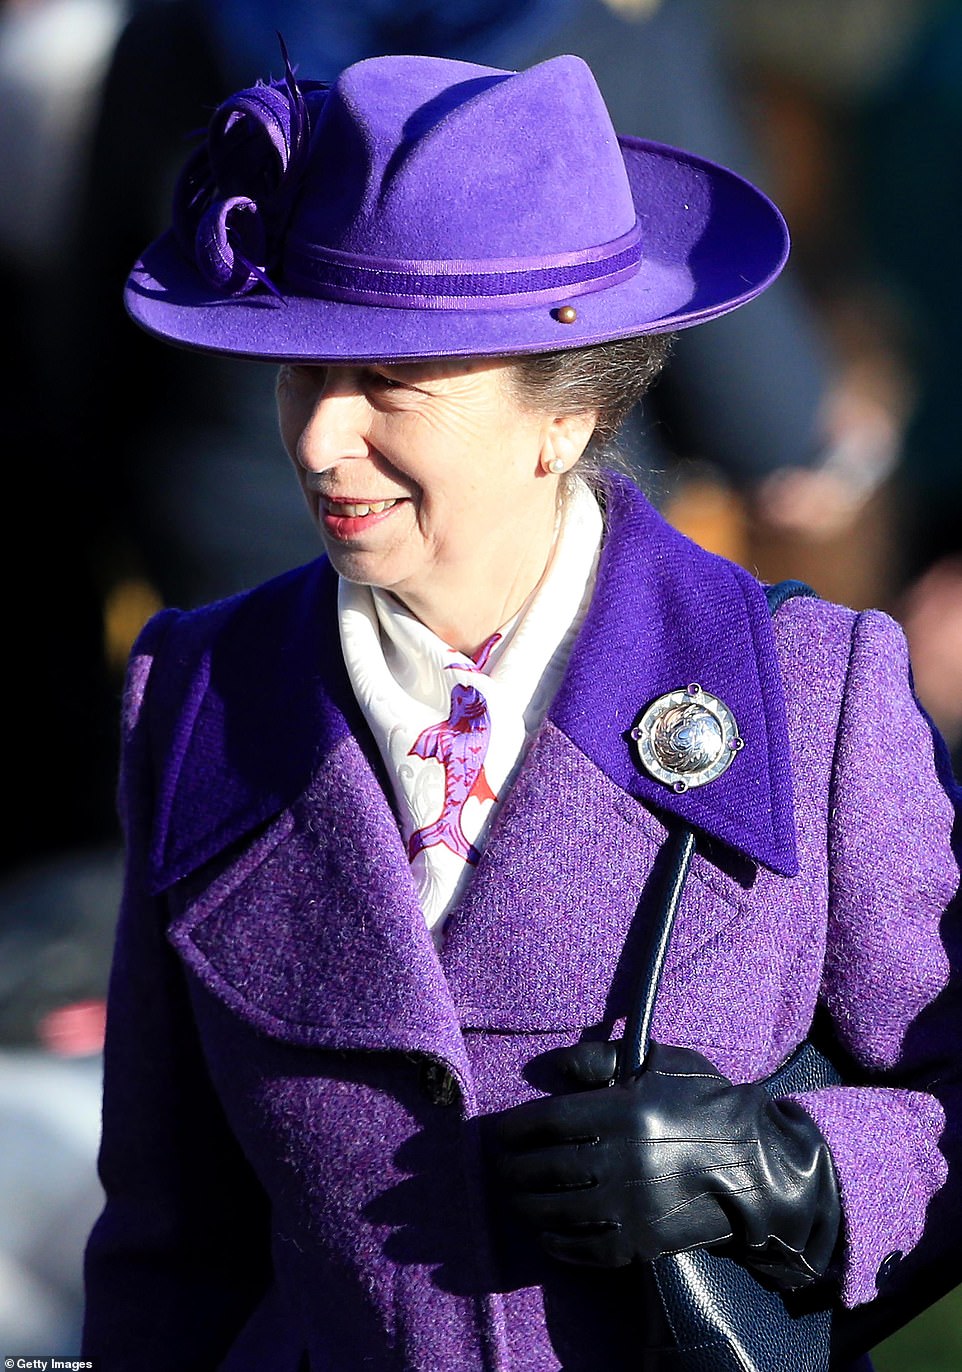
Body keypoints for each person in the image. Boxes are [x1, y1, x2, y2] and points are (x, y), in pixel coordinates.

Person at [81, 45, 962, 1372]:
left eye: (386, 383)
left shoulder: (815, 689)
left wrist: (795, 1168)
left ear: (564, 414)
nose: (320, 440)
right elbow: (164, 1238)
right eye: (298, 374)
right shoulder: (195, 687)